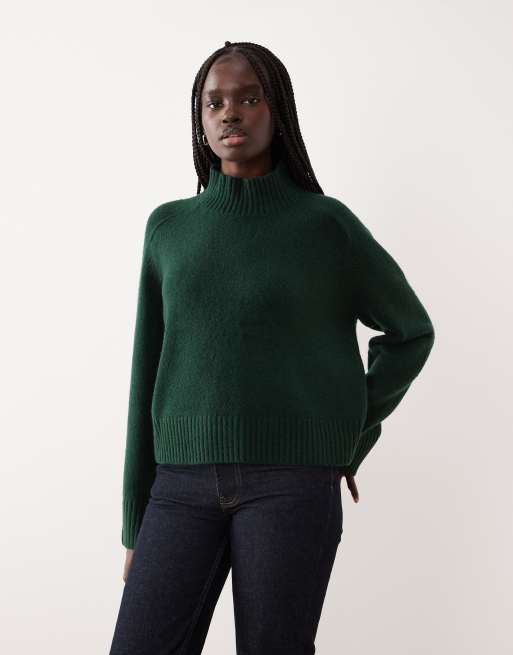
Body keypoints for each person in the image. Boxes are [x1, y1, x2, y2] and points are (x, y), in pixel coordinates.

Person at [109, 40, 435, 655]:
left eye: (249, 98)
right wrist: (134, 522)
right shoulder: (169, 228)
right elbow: (144, 371)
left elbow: (410, 331)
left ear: (277, 110)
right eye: (214, 103)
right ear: (199, 120)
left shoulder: (325, 225)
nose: (229, 112)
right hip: (179, 487)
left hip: (292, 485)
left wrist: (347, 436)